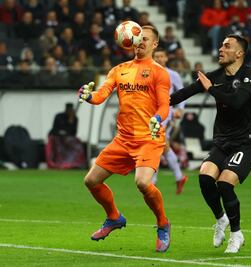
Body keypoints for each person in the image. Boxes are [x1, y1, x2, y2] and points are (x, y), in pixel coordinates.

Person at [78, 26, 171, 252]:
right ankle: (114, 217)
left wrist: (158, 118)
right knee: (91, 180)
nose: (140, 41)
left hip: (149, 137)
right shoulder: (119, 70)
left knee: (142, 182)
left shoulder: (159, 72)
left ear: (155, 45)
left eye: (145, 39)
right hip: (123, 139)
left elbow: (164, 104)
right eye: (138, 37)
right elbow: (101, 96)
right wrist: (88, 96)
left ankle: (163, 223)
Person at [170, 34, 251, 253]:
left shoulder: (250, 76)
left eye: (227, 46)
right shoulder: (215, 76)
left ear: (239, 53)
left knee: (225, 184)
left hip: (245, 143)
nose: (221, 49)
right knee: (205, 178)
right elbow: (183, 94)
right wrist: (152, 101)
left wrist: (211, 89)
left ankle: (236, 234)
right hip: (222, 141)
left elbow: (237, 102)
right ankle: (221, 219)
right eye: (221, 45)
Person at [152, 47, 188, 194]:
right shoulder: (149, 72)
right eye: (157, 57)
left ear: (166, 58)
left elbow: (182, 93)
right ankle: (179, 177)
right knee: (162, 145)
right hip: (150, 111)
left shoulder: (173, 75)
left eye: (162, 56)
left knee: (155, 143)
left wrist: (180, 109)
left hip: (165, 111)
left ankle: (152, 181)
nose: (160, 59)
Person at [46, 103, 86, 169]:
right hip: (57, 137)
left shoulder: (74, 118)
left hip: (68, 139)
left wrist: (71, 121)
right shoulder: (59, 116)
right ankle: (59, 163)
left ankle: (74, 163)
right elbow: (55, 128)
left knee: (77, 145)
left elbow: (74, 132)